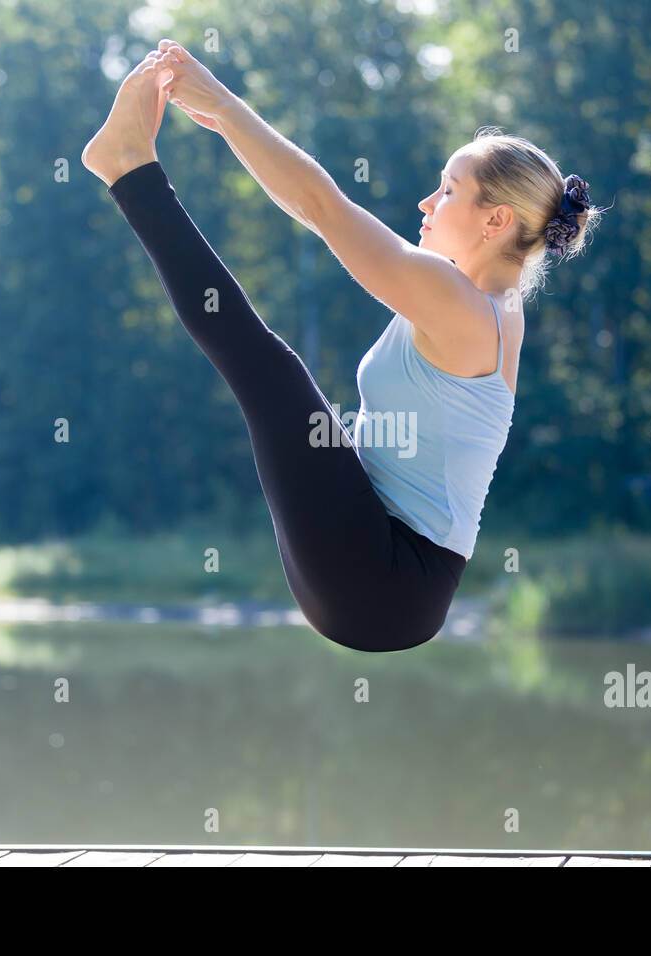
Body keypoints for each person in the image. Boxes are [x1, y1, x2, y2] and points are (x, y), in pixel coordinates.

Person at [82, 40, 600, 652]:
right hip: (386, 584)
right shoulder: (491, 307)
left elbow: (324, 206)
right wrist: (219, 115)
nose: (426, 204)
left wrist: (222, 103)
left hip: (384, 581)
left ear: (496, 223)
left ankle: (130, 171)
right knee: (285, 389)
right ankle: (128, 167)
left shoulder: (463, 305)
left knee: (272, 374)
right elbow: (313, 208)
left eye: (448, 190)